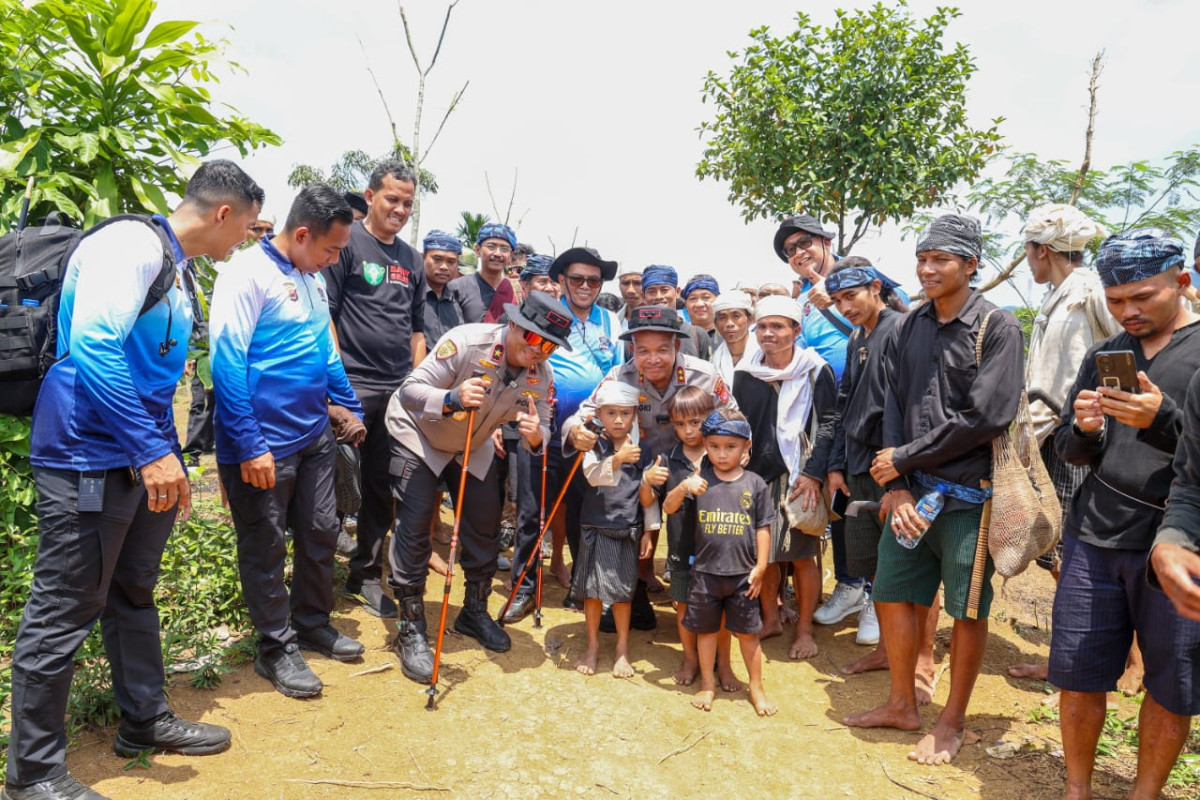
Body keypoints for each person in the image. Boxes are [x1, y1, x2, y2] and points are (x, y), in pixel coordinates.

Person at [7, 160, 262, 800]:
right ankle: (33, 772)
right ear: (223, 213)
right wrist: (152, 451)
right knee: (64, 607)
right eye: (247, 228)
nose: (244, 242)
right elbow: (94, 344)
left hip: (139, 448)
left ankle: (142, 721)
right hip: (87, 452)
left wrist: (161, 449)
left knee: (133, 587)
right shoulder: (128, 246)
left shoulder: (177, 262)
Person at [845, 214, 1024, 768]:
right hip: (911, 494)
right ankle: (902, 703)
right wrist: (895, 484)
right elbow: (892, 408)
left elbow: (987, 416)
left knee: (966, 611)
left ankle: (952, 719)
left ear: (972, 265)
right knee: (893, 593)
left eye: (941, 260)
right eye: (922, 259)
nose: (927, 269)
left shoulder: (998, 327)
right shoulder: (908, 326)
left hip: (972, 495)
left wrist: (903, 458)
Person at [1049, 229, 1200, 800]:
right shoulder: (1106, 355)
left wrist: (1162, 419)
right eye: (1115, 301)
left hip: (1179, 544)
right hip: (1096, 533)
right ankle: (1077, 789)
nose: (1128, 312)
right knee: (1078, 671)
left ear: (1182, 282)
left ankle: (1146, 793)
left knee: (1169, 683)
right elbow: (1071, 449)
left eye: (1143, 297)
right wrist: (1085, 428)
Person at [211, 185, 367, 699]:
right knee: (266, 544)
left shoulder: (311, 278)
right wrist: (250, 444)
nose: (335, 259)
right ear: (302, 234)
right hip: (263, 443)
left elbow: (326, 356)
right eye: (330, 249)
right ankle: (275, 647)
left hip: (312, 434)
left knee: (322, 530)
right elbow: (227, 364)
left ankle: (311, 622)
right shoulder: (245, 274)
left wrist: (351, 408)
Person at [385, 292, 567, 680]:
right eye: (533, 338)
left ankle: (474, 610)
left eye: (550, 345)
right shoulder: (468, 341)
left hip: (472, 441)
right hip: (418, 432)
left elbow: (545, 424)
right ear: (514, 324)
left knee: (484, 523)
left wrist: (537, 435)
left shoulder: (541, 374)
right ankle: (411, 627)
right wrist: (451, 397)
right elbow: (410, 390)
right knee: (416, 524)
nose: (540, 351)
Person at [565, 305, 737, 630]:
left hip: (689, 467)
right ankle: (632, 591)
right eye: (643, 351)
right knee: (629, 524)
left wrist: (729, 462)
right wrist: (576, 429)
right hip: (638, 467)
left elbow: (733, 416)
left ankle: (702, 600)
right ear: (633, 349)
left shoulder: (704, 375)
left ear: (676, 346)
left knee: (692, 536)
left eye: (662, 350)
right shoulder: (620, 376)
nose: (652, 359)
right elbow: (587, 411)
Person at [1005, 204, 1120, 688]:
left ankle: (1101, 661)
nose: (1027, 262)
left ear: (1042, 251)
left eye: (1029, 253)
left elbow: (1119, 355)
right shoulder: (1060, 296)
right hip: (1050, 434)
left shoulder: (1091, 293)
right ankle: (1072, 655)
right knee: (1060, 549)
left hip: (1077, 433)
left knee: (1075, 548)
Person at [324, 159, 427, 620]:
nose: (400, 209)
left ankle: (364, 573)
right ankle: (315, 571)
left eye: (408, 203)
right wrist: (335, 383)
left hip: (396, 390)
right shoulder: (347, 245)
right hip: (351, 386)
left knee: (384, 486)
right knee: (330, 480)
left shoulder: (412, 260)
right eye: (392, 199)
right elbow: (326, 314)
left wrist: (418, 386)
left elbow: (417, 331)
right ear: (369, 197)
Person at [823, 263, 935, 681]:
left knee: (913, 562)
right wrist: (835, 464)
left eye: (851, 296)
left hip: (893, 463)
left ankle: (923, 657)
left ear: (875, 287)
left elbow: (910, 404)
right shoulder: (857, 337)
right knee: (874, 566)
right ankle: (888, 650)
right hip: (858, 462)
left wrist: (899, 470)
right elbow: (845, 401)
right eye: (836, 301)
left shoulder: (902, 328)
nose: (844, 306)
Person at [506, 247, 622, 620]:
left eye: (593, 280)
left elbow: (619, 376)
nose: (585, 286)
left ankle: (583, 587)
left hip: (589, 434)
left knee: (585, 514)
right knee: (530, 510)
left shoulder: (612, 322)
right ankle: (524, 586)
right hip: (542, 426)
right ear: (561, 281)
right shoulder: (549, 315)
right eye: (576, 279)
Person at [773, 215, 869, 629]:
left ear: (826, 239)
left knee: (869, 500)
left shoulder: (857, 273)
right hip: (831, 413)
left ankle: (876, 596)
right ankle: (850, 585)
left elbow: (896, 321)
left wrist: (836, 304)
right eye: (789, 249)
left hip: (873, 408)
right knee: (840, 499)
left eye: (804, 242)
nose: (798, 253)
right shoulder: (804, 297)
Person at [732, 295, 836, 660]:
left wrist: (813, 473)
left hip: (798, 475)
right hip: (756, 475)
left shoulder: (814, 370)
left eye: (778, 326)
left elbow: (828, 425)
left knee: (802, 555)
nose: (768, 334)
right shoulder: (746, 373)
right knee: (767, 554)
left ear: (796, 330)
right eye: (762, 326)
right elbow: (740, 422)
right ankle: (771, 618)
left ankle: (805, 630)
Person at [672, 410, 777, 716]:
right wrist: (682, 488)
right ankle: (707, 683)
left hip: (742, 576)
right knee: (705, 632)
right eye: (714, 446)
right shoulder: (700, 482)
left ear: (746, 448)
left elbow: (764, 527)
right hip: (704, 574)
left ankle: (756, 687)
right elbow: (668, 506)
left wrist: (761, 567)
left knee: (748, 634)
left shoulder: (755, 484)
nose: (721, 453)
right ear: (706, 446)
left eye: (730, 447)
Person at [646, 385, 741, 690]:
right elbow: (667, 507)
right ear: (672, 424)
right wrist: (685, 486)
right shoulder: (667, 459)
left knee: (722, 611)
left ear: (710, 418)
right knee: (684, 606)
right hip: (682, 549)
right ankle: (689, 658)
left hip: (720, 552)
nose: (688, 431)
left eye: (696, 423)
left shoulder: (722, 455)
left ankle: (724, 664)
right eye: (680, 424)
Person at [571, 381, 654, 677]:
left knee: (622, 593)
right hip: (595, 526)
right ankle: (592, 645)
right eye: (611, 413)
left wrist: (649, 530)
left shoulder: (643, 452)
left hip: (626, 529)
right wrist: (618, 459)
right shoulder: (594, 444)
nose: (618, 420)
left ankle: (622, 648)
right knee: (592, 591)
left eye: (625, 413)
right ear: (600, 414)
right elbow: (592, 476)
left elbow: (648, 498)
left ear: (635, 416)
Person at [451, 223, 518, 324]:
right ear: (478, 250)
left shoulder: (517, 291)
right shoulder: (458, 287)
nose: (497, 254)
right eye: (491, 247)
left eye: (504, 249)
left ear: (511, 256)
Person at [640, 265, 711, 360]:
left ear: (677, 292)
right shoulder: (635, 337)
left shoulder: (697, 335)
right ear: (643, 296)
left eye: (664, 290)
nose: (658, 296)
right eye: (652, 291)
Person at [421, 229, 466, 347]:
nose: (444, 267)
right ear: (423, 258)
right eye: (437, 259)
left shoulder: (455, 301)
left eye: (451, 261)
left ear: (457, 264)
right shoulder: (409, 295)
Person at [710, 292, 758, 385]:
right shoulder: (715, 361)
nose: (729, 323)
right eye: (722, 317)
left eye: (736, 316)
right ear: (716, 324)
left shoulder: (764, 354)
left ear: (750, 320)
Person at [682, 274, 720, 347]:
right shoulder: (680, 335)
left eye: (706, 297)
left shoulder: (728, 333)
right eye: (693, 299)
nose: (699, 304)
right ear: (686, 304)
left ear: (718, 301)